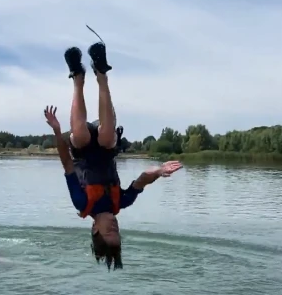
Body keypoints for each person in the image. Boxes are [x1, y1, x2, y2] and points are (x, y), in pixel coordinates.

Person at [44, 41, 183, 270]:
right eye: (118, 230)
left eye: (110, 230)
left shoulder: (82, 202)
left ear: (95, 228)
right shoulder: (121, 201)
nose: (115, 225)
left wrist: (58, 131)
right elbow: (142, 180)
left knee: (78, 134)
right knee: (108, 136)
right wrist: (158, 171)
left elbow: (67, 163)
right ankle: (101, 74)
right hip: (105, 145)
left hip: (81, 149)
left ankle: (77, 77)